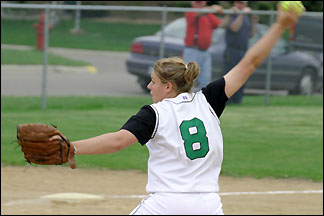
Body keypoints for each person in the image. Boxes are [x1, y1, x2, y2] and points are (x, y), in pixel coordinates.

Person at [50, 3, 303, 215]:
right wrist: (280, 24)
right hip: (209, 206)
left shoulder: (154, 113)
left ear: (168, 86)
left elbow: (118, 141)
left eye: (154, 81)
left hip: (166, 205)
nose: (149, 87)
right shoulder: (209, 101)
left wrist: (72, 147)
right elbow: (250, 63)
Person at [220, 1, 259, 104]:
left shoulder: (246, 16)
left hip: (243, 51)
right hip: (232, 50)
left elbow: (250, 34)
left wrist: (254, 22)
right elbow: (234, 28)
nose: (241, 5)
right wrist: (241, 14)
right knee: (230, 77)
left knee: (242, 76)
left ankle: (237, 101)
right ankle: (227, 101)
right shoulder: (233, 14)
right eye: (239, 3)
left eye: (243, 3)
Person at [183, 1, 223, 90]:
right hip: (192, 51)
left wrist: (231, 14)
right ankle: (186, 101)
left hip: (205, 52)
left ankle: (202, 103)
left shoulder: (209, 15)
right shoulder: (191, 12)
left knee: (205, 81)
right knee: (189, 79)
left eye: (201, 2)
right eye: (197, 2)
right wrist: (213, 7)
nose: (198, 3)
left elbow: (222, 25)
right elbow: (200, 13)